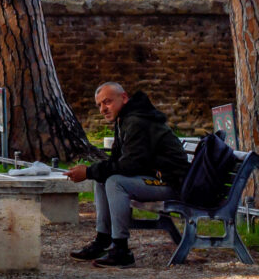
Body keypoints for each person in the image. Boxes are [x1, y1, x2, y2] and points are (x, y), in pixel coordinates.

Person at [67, 81, 191, 268]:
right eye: (99, 105)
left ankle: (121, 250)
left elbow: (130, 165)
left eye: (107, 102)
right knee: (102, 179)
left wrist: (89, 171)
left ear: (123, 98)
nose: (103, 109)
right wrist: (92, 172)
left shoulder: (137, 121)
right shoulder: (124, 119)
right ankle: (103, 240)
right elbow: (118, 161)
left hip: (171, 182)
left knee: (115, 182)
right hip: (155, 177)